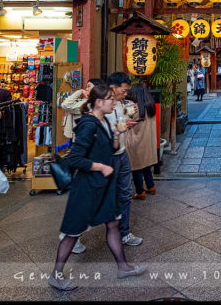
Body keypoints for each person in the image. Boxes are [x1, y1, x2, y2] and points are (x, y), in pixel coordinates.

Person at [49, 83, 145, 291]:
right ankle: (56, 275)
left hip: (103, 186)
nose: (114, 102)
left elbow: (110, 148)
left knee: (112, 224)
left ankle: (123, 267)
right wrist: (100, 166)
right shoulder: (88, 124)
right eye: (110, 99)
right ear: (99, 102)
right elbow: (75, 158)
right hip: (87, 188)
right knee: (73, 233)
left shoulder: (102, 122)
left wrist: (117, 136)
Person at [58, 77, 103, 254]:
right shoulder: (85, 105)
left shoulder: (92, 104)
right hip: (85, 155)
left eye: (90, 86)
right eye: (86, 86)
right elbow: (65, 104)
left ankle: (72, 234)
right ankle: (71, 236)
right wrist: (79, 92)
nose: (86, 88)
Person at [106, 72, 143, 247]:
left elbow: (123, 123)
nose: (126, 93)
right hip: (106, 158)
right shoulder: (101, 104)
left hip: (121, 153)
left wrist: (131, 115)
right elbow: (103, 128)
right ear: (113, 87)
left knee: (126, 193)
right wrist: (121, 127)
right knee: (99, 197)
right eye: (124, 89)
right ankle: (74, 234)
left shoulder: (121, 104)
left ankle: (124, 233)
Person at [125, 83, 158, 200]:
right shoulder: (150, 105)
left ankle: (140, 191)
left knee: (136, 167)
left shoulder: (134, 108)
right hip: (147, 140)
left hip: (136, 141)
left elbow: (125, 121)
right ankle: (151, 186)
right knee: (145, 165)